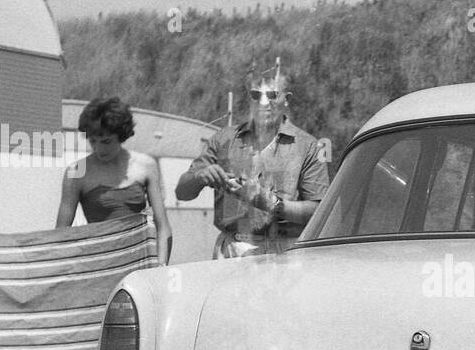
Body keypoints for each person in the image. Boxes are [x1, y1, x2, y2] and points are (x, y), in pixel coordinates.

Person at [175, 62, 328, 257]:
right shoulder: (223, 139)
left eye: (272, 95)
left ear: (286, 99)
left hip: (285, 252)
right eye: (256, 95)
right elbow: (182, 192)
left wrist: (272, 204)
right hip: (233, 247)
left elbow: (319, 212)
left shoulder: (309, 146)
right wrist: (200, 177)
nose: (264, 102)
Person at [56, 97, 171, 264]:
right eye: (93, 141)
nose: (99, 149)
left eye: (106, 141)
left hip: (140, 262)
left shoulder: (146, 165)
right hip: (99, 264)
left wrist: (161, 268)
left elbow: (163, 227)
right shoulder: (76, 173)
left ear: (121, 135)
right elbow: (60, 235)